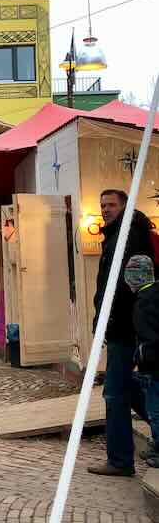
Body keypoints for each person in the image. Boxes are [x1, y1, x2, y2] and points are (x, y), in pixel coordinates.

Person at [89, 190, 156, 476]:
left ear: (125, 206)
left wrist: (111, 320)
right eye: (102, 205)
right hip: (123, 325)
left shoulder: (130, 236)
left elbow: (126, 288)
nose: (105, 209)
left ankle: (119, 460)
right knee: (129, 387)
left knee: (115, 393)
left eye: (111, 205)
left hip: (126, 327)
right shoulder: (118, 234)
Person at [124, 254, 159, 468]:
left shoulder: (143, 304)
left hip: (153, 368)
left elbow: (149, 338)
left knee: (155, 410)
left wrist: (140, 357)